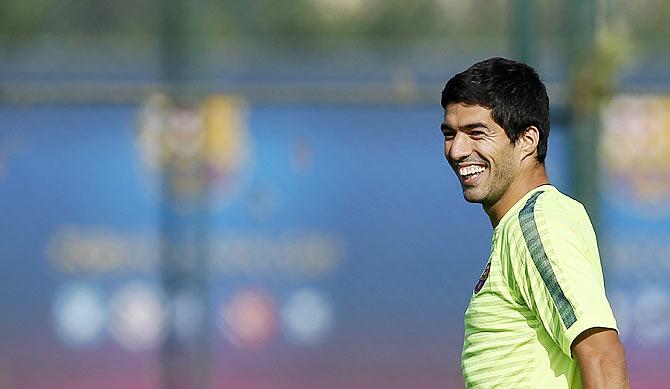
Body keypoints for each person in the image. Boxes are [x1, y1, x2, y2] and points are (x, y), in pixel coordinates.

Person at [440, 57, 629, 388]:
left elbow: (601, 354)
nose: (457, 150)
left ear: (527, 140)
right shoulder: (522, 225)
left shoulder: (537, 223)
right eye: (450, 133)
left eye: (476, 133)